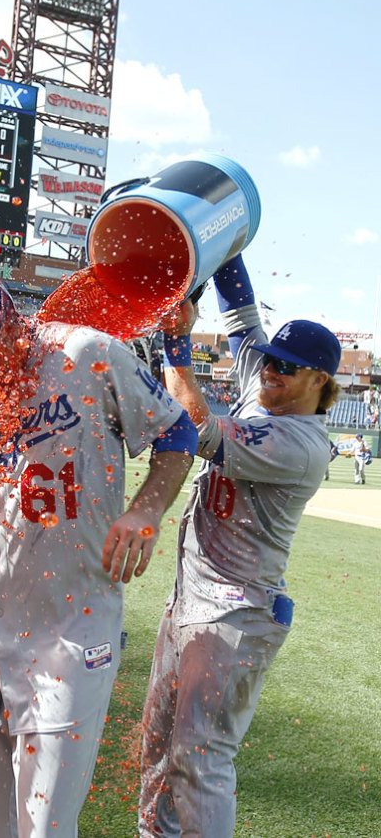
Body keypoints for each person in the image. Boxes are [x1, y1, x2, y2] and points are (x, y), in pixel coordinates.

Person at [0, 274, 196, 838]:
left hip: (71, 625)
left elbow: (178, 433)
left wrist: (146, 510)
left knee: (43, 826)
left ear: (11, 334)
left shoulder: (87, 353)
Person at [139, 256, 340, 838]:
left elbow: (194, 428)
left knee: (199, 759)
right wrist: (222, 242)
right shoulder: (266, 388)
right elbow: (239, 308)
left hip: (236, 614)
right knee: (158, 750)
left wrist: (176, 344)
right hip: (191, 601)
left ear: (319, 380)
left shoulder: (300, 443)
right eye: (272, 359)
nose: (271, 370)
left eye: (288, 367)